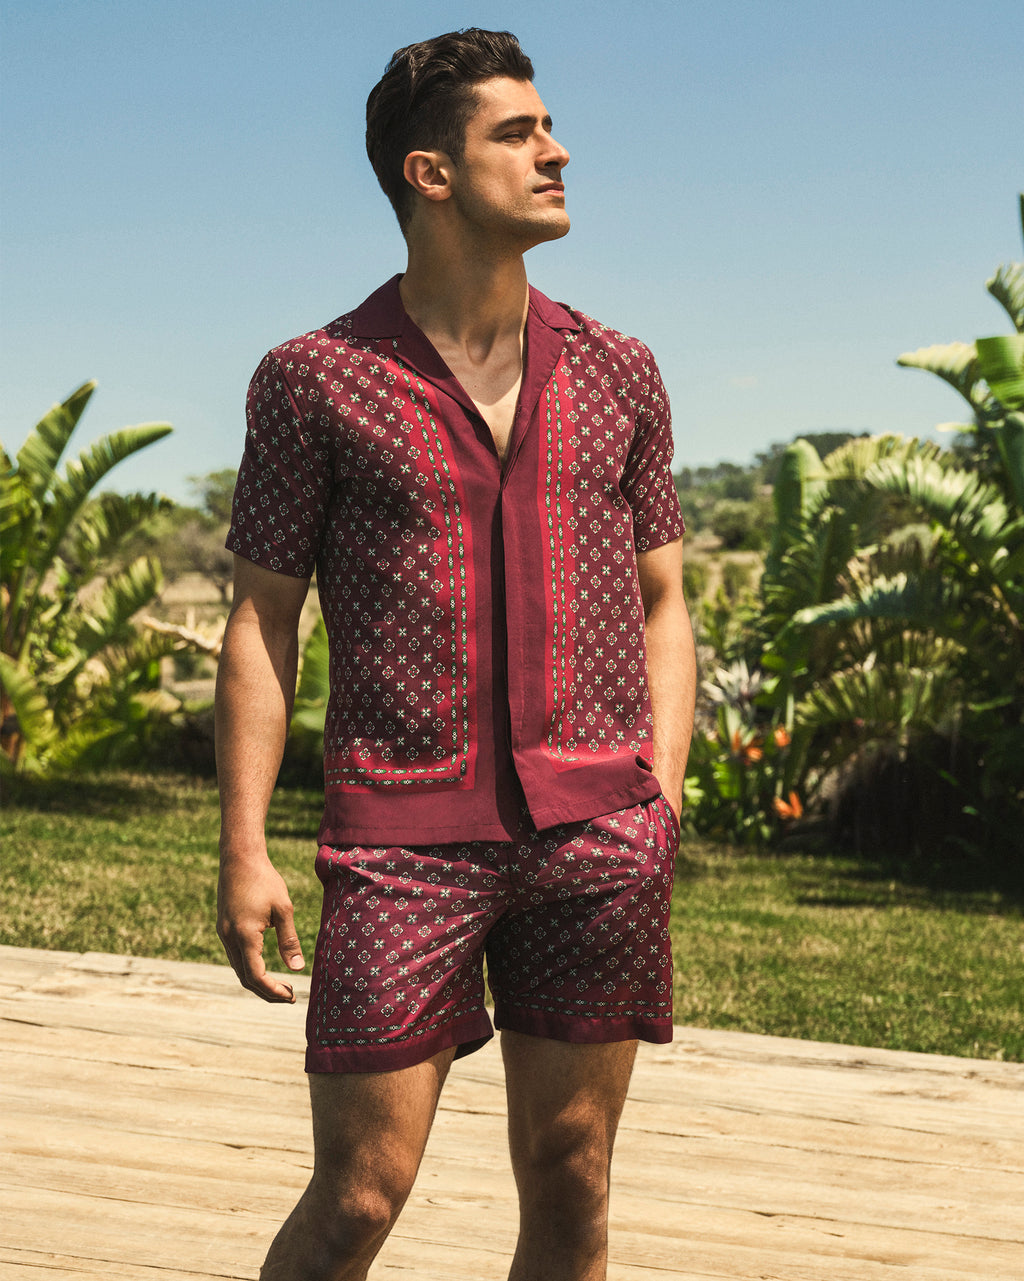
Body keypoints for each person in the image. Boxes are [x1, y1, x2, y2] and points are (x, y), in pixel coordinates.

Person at [215, 27, 696, 1281]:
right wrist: (244, 846)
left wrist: (659, 795)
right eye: (518, 133)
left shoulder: (621, 370)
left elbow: (664, 600)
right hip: (400, 844)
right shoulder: (315, 380)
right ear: (429, 173)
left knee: (574, 1179)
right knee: (358, 1199)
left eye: (549, 127)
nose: (557, 151)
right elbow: (263, 618)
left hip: (599, 838)